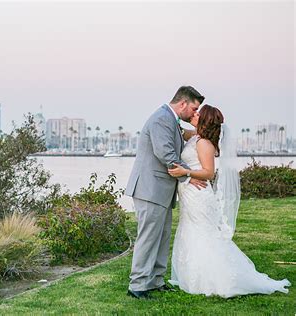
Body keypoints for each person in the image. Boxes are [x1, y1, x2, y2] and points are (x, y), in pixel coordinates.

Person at [167, 104, 291, 297]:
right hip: (189, 194)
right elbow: (180, 130)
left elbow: (208, 173)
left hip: (198, 195)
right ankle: (192, 276)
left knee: (202, 233)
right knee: (190, 230)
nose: (195, 113)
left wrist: (186, 172)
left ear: (205, 120)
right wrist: (174, 118)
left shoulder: (204, 143)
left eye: (199, 113)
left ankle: (212, 279)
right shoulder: (196, 138)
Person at [125, 86, 206, 300]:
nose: (194, 113)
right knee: (149, 238)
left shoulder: (171, 120)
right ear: (183, 104)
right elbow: (166, 154)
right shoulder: (162, 119)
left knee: (161, 237)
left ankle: (156, 281)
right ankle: (138, 285)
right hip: (150, 189)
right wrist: (189, 177)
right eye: (194, 108)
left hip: (162, 190)